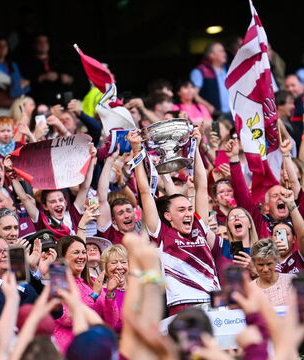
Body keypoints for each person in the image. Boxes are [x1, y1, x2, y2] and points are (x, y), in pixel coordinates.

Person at [129, 128, 220, 314]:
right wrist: (136, 150)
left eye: (189, 209)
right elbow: (145, 192)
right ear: (168, 216)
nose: (188, 213)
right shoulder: (161, 232)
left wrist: (196, 147)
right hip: (183, 304)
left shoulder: (198, 226)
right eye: (181, 210)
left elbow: (202, 187)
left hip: (213, 300)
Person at [53, 236, 119, 352]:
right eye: (76, 252)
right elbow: (67, 318)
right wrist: (93, 296)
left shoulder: (93, 283)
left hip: (97, 348)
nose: (81, 256)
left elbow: (111, 322)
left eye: (84, 252)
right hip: (71, 350)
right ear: (63, 257)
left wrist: (109, 294)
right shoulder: (58, 285)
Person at [22, 34, 74, 106]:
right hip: (40, 102)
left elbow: (71, 80)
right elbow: (25, 84)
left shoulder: (58, 60)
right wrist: (42, 77)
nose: (43, 45)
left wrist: (59, 76)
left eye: (45, 42)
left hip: (61, 101)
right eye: (40, 42)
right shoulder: (28, 63)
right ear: (34, 45)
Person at [0, 37, 30, 107]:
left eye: (5, 45)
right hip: (1, 100)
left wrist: (25, 82)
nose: (2, 48)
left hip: (16, 100)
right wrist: (15, 82)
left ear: (8, 48)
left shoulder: (13, 64)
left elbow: (20, 80)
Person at [249, 238, 294, 306]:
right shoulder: (249, 289)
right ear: (254, 263)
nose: (265, 269)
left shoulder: (291, 281)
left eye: (269, 264)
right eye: (261, 265)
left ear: (276, 260)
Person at [190, 42, 230, 116]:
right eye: (221, 51)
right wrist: (208, 106)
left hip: (234, 115)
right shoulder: (200, 71)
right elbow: (193, 94)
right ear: (212, 55)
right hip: (214, 116)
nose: (225, 53)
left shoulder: (229, 69)